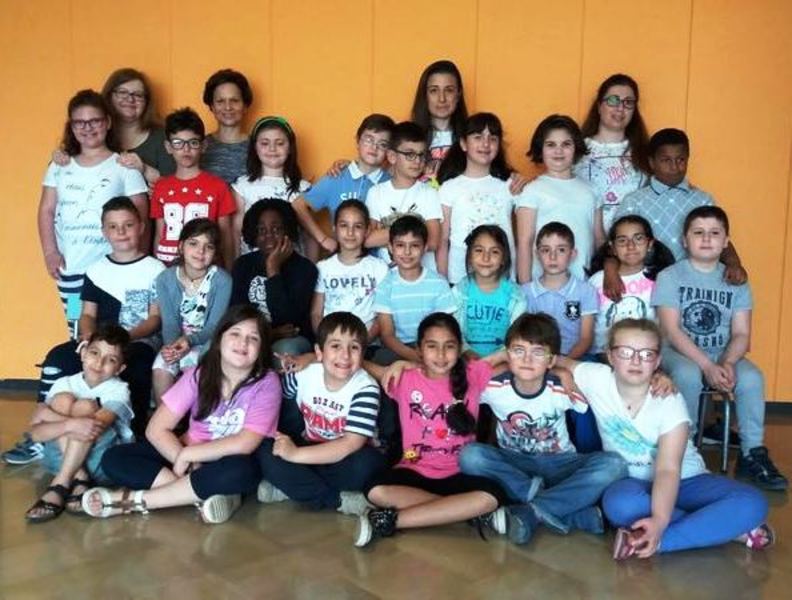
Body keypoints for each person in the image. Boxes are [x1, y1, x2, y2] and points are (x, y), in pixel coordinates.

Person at [557, 319, 773, 558]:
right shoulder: (596, 377)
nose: (636, 361)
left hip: (686, 480)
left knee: (753, 503)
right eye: (625, 352)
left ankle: (655, 542)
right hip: (635, 484)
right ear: (610, 356)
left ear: (657, 361)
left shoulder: (669, 400)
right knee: (617, 504)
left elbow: (668, 469)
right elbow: (550, 359)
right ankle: (723, 528)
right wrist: (562, 373)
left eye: (646, 354)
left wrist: (660, 521)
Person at [81, 305, 281, 524]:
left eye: (253, 338)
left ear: (261, 348)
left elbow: (245, 443)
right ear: (220, 338)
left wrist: (189, 455)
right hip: (188, 456)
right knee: (114, 458)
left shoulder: (267, 382)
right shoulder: (200, 374)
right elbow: (156, 429)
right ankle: (206, 494)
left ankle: (132, 501)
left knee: (242, 470)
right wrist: (182, 457)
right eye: (235, 333)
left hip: (228, 460)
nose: (243, 343)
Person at [459, 313, 627, 545]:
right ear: (508, 354)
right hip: (515, 465)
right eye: (518, 350)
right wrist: (498, 356)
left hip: (559, 464)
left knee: (615, 464)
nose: (527, 359)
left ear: (551, 360)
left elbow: (599, 389)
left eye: (538, 352)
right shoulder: (494, 387)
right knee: (470, 456)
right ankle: (569, 512)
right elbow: (459, 380)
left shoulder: (561, 387)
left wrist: (561, 372)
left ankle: (532, 510)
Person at [652, 206, 788, 491]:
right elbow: (672, 331)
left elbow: (741, 333)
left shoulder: (736, 280)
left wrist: (726, 363)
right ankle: (683, 447)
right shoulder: (670, 276)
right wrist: (707, 366)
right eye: (698, 233)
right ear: (685, 240)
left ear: (726, 241)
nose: (706, 239)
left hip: (722, 353)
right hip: (680, 352)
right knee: (688, 374)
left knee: (752, 378)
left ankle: (752, 453)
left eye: (715, 233)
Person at [354, 312, 510, 547]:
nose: (440, 355)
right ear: (419, 349)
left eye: (449, 346)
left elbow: (516, 363)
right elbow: (358, 362)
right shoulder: (405, 378)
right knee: (375, 490)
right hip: (414, 470)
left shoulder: (473, 374)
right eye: (432, 346)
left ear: (460, 349)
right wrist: (402, 363)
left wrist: (561, 369)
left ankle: (387, 520)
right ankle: (463, 512)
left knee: (492, 496)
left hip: (460, 473)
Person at [38, 197, 164, 438]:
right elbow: (87, 314)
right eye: (113, 226)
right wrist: (89, 337)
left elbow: (154, 318)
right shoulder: (95, 270)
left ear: (141, 227)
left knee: (138, 365)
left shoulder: (156, 269)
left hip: (137, 341)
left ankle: (134, 433)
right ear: (104, 231)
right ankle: (45, 430)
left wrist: (125, 337)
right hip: (99, 340)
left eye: (128, 225)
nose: (121, 232)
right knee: (58, 358)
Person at [37, 89, 148, 338]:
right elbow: (46, 210)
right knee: (77, 329)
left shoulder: (124, 166)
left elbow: (141, 217)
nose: (87, 128)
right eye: (80, 122)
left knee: (117, 331)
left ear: (107, 122)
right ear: (72, 126)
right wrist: (50, 252)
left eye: (95, 120)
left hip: (115, 267)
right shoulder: (58, 166)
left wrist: (138, 260)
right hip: (71, 269)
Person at [256, 312, 386, 514]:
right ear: (319, 352)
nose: (345, 355)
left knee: (368, 465)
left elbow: (350, 444)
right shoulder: (303, 374)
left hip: (347, 457)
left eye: (354, 347)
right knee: (265, 446)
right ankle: (336, 499)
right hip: (309, 445)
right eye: (335, 346)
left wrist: (294, 455)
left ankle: (293, 487)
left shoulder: (366, 388)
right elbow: (276, 402)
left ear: (363, 355)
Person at [604, 128, 746, 302]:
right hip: (648, 287)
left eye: (681, 160)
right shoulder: (635, 201)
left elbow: (719, 238)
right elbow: (615, 243)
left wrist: (734, 263)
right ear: (652, 162)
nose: (674, 166)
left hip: (693, 287)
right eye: (666, 160)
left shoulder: (702, 199)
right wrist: (610, 271)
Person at [24, 325, 134, 523]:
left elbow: (94, 426)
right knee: (63, 399)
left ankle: (60, 484)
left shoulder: (119, 390)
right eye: (94, 353)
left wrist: (55, 418)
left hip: (99, 464)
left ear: (120, 368)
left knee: (85, 406)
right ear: (83, 353)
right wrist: (69, 425)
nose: (99, 362)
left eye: (111, 360)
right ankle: (79, 478)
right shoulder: (63, 383)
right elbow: (36, 433)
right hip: (57, 460)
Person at [516, 114, 604, 284]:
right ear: (540, 149)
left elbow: (599, 239)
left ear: (576, 147)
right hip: (541, 287)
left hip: (583, 284)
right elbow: (525, 242)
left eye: (566, 144)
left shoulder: (591, 190)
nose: (558, 151)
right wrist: (525, 287)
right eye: (551, 145)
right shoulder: (532, 190)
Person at [293, 114, 394, 261]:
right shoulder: (337, 176)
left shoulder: (391, 183)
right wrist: (323, 239)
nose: (374, 147)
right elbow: (298, 205)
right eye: (369, 139)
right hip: (342, 261)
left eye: (383, 144)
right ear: (357, 141)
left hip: (379, 263)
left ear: (389, 151)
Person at [153, 218, 232, 404]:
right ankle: (162, 417)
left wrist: (189, 341)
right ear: (181, 246)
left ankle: (196, 419)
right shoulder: (165, 279)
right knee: (161, 367)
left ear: (215, 252)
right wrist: (173, 348)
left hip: (207, 342)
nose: (200, 251)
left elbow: (214, 326)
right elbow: (170, 323)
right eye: (193, 243)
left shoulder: (222, 280)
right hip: (176, 342)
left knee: (196, 369)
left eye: (208, 246)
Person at [52, 69, 176, 185]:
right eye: (122, 92)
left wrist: (144, 169)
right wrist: (60, 158)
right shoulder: (94, 133)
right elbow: (60, 174)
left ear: (147, 102)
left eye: (138, 95)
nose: (130, 99)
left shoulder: (163, 137)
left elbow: (179, 186)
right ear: (109, 96)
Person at [230, 199, 318, 359]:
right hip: (250, 336)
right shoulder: (243, 265)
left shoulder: (305, 269)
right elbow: (236, 314)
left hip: (292, 339)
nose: (269, 236)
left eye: (276, 229)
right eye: (261, 230)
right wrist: (270, 333)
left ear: (288, 231)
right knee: (213, 348)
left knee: (285, 349)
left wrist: (273, 268)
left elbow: (289, 323)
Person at [436, 113, 517, 284]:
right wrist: (443, 282)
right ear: (463, 143)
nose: (485, 144)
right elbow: (442, 241)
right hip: (461, 279)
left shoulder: (510, 185)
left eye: (492, 138)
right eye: (478, 137)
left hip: (503, 279)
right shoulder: (449, 188)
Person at [149, 107, 236, 268]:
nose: (186, 149)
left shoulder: (218, 186)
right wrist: (157, 271)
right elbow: (159, 234)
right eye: (178, 143)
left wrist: (229, 271)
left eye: (193, 142)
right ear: (168, 147)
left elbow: (225, 237)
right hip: (168, 268)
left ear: (204, 145)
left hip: (205, 268)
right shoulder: (161, 186)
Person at [372, 215, 456, 364]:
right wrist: (415, 358)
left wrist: (427, 355)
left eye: (414, 246)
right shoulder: (385, 286)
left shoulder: (438, 284)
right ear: (390, 247)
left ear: (425, 248)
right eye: (400, 245)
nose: (407, 252)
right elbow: (387, 335)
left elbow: (444, 329)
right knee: (379, 357)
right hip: (398, 349)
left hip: (432, 348)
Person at [588, 216, 674, 355]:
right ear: (612, 248)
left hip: (646, 356)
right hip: (602, 355)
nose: (631, 246)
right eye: (622, 240)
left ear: (650, 244)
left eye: (638, 238)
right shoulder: (597, 281)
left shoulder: (660, 279)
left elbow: (666, 328)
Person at [574, 74, 649, 231]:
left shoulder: (645, 152)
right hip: (584, 238)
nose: (620, 108)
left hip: (630, 242)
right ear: (599, 106)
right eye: (613, 100)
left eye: (628, 102)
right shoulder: (576, 150)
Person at [364, 121, 443, 270]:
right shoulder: (376, 193)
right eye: (409, 155)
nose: (417, 161)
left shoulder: (430, 193)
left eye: (421, 155)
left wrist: (385, 233)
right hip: (388, 276)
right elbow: (367, 240)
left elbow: (432, 242)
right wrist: (418, 230)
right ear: (392, 156)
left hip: (423, 276)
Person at [310, 200, 389, 343]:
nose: (350, 232)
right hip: (331, 343)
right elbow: (316, 313)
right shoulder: (323, 268)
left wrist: (363, 342)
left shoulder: (379, 268)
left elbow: (382, 315)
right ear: (334, 228)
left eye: (357, 226)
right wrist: (326, 342)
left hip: (368, 343)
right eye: (344, 225)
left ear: (367, 230)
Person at [231, 116, 311, 256]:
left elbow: (309, 234)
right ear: (255, 147)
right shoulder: (241, 187)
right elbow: (236, 232)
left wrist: (311, 266)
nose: (272, 149)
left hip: (292, 265)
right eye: (265, 143)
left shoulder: (303, 188)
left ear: (290, 148)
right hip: (252, 266)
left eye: (280, 143)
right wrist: (235, 266)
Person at [522, 222, 598, 359]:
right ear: (537, 254)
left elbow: (586, 339)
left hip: (576, 358)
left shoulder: (586, 291)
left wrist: (562, 363)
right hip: (538, 359)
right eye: (546, 250)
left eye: (561, 250)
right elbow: (524, 336)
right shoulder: (525, 292)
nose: (553, 257)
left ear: (573, 254)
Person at [451, 225, 525, 357]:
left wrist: (495, 359)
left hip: (503, 361)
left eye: (494, 252)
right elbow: (453, 331)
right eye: (479, 250)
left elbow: (517, 337)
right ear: (469, 256)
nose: (486, 258)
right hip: (465, 359)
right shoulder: (460, 291)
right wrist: (467, 353)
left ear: (504, 259)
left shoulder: (516, 295)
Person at [410, 60, 469, 184]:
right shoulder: (407, 137)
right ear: (425, 95)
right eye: (434, 90)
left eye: (449, 90)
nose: (442, 99)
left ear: (458, 94)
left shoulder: (473, 138)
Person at [201, 69, 254, 185]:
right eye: (220, 101)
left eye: (234, 100)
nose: (228, 107)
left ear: (245, 105)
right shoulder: (199, 147)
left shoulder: (261, 148)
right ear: (212, 106)